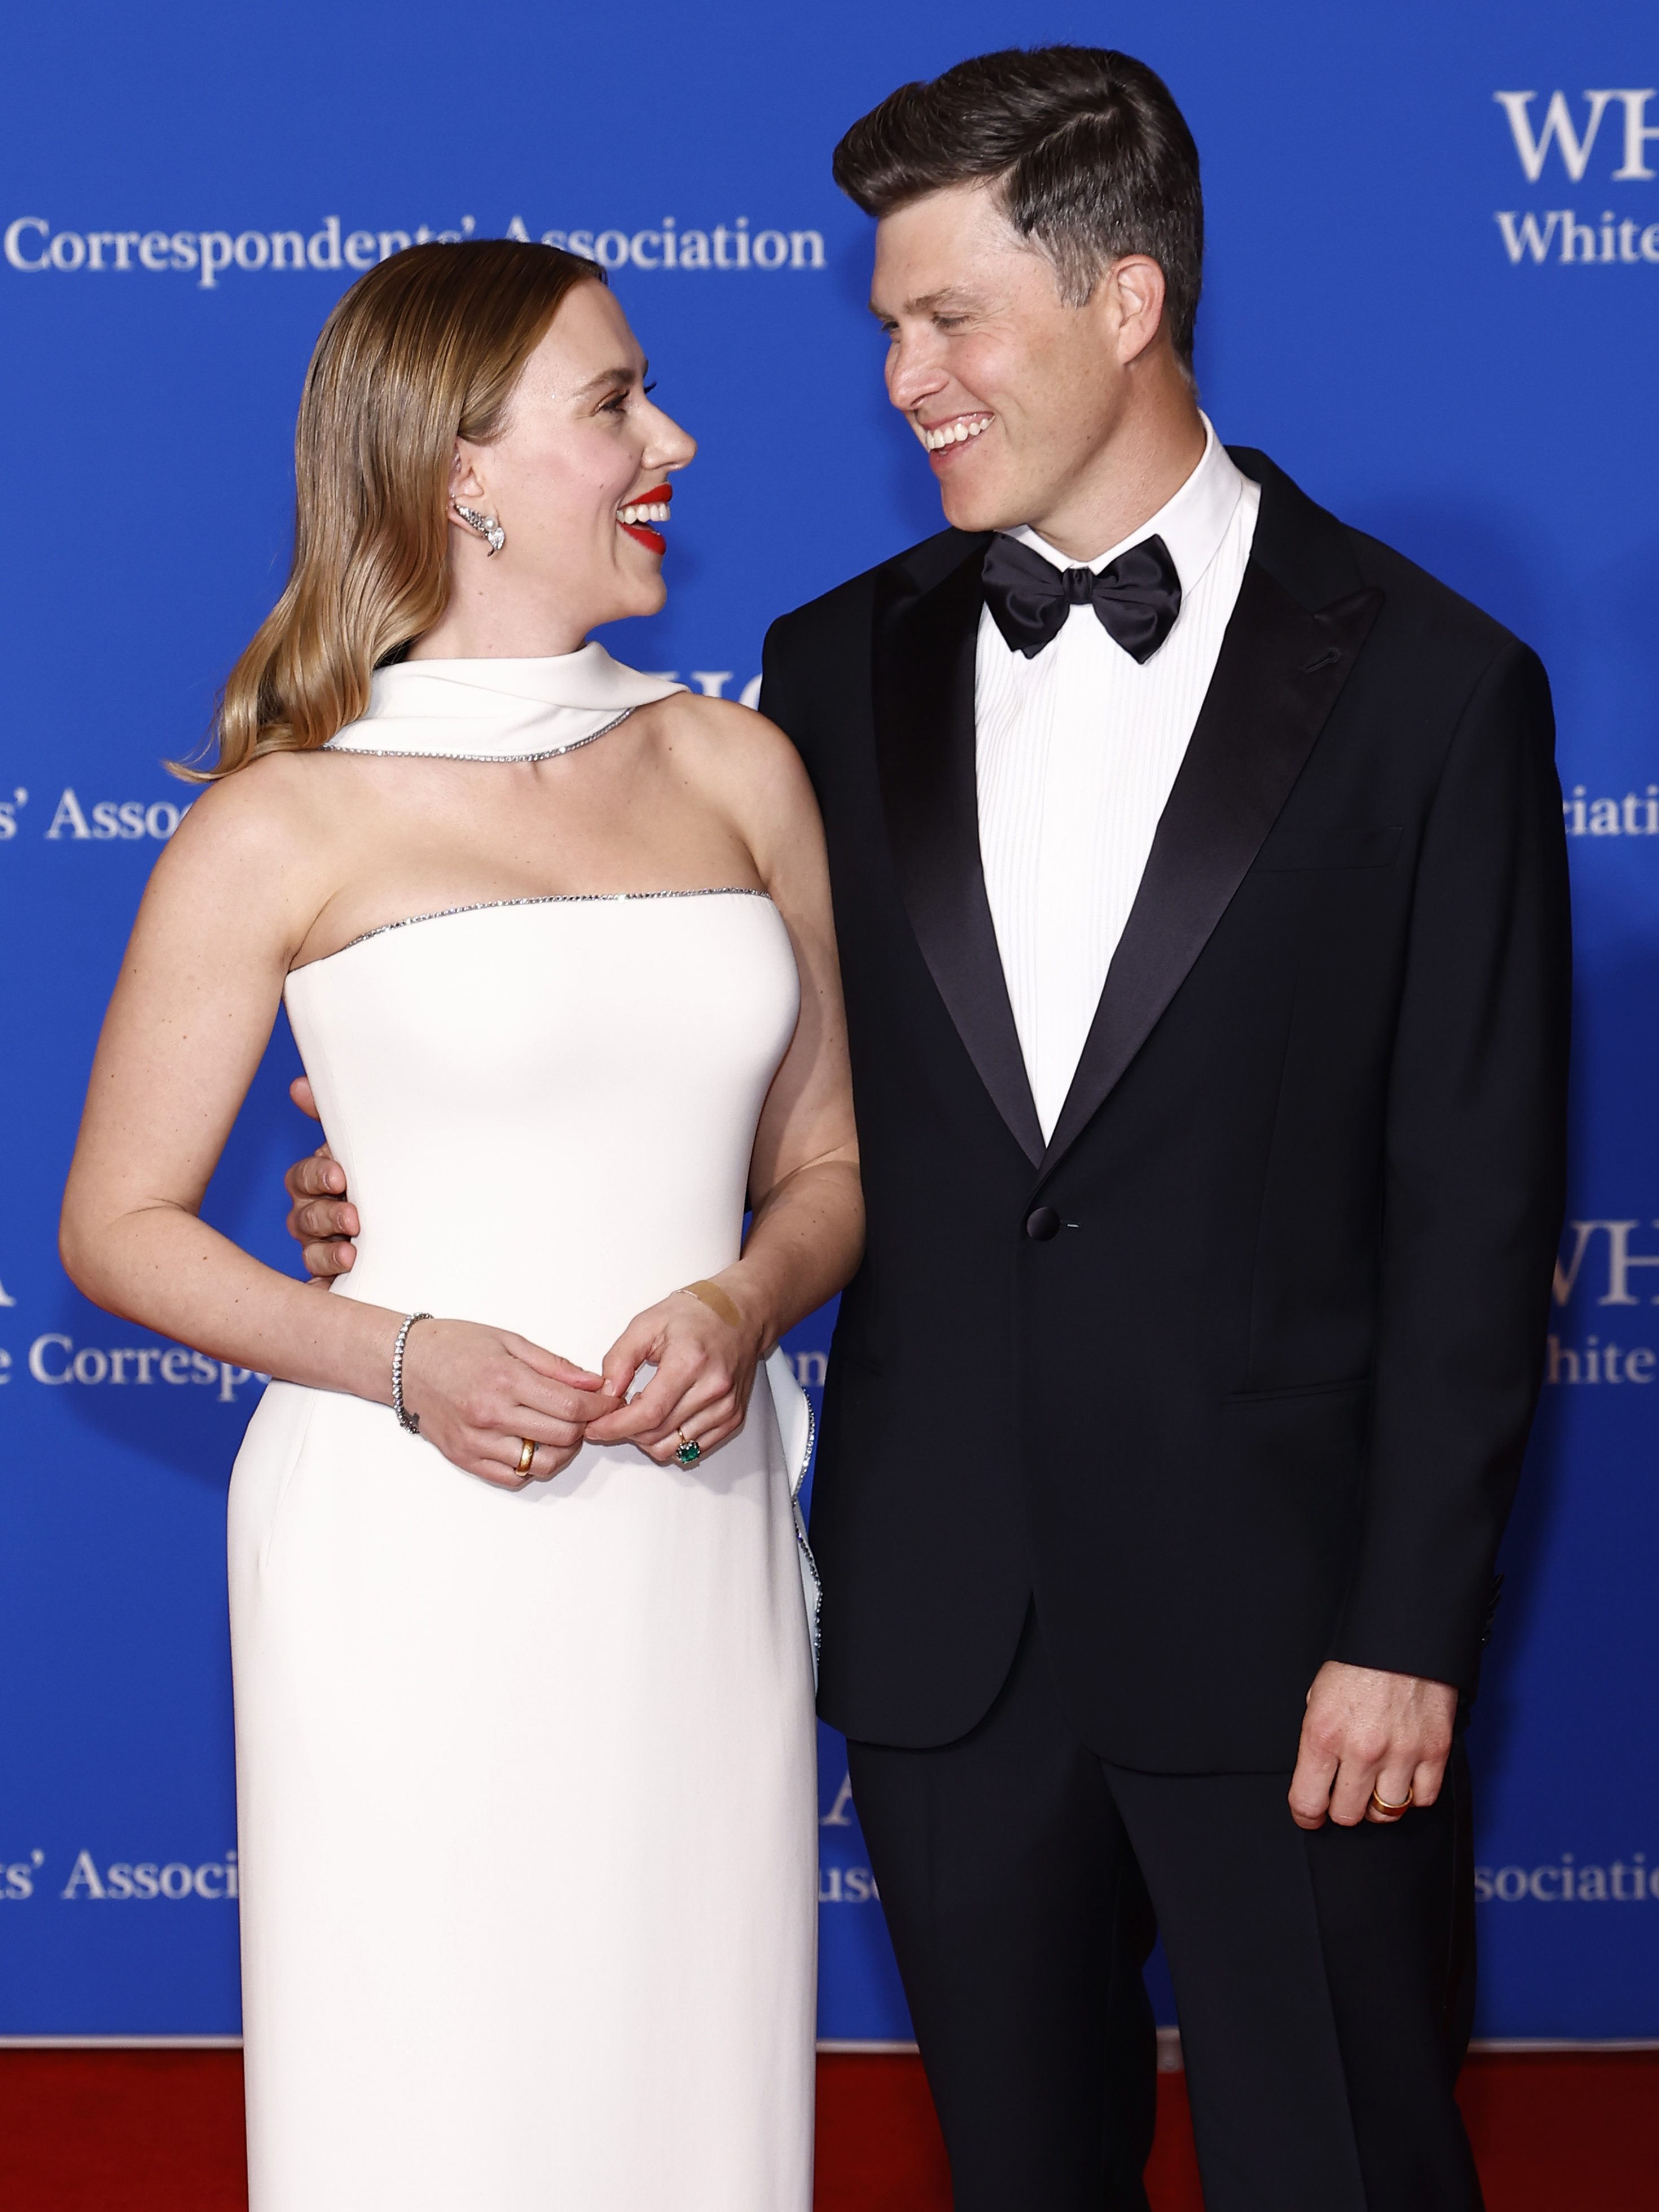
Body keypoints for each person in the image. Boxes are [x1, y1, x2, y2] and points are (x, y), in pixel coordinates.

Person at [286, 46, 1573, 2212]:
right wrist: (421, 1200)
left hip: (1294, 1646)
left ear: (1127, 301)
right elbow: (774, 1108)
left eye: (944, 316)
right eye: (886, 324)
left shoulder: (1438, 686)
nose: (901, 375)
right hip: (941, 1634)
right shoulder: (825, 669)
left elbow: (1477, 1204)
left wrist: (1408, 1629)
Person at [60, 239, 861, 2212]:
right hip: (410, 1541)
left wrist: (746, 1300)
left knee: (687, 2061)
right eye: (615, 406)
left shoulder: (738, 767)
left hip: (690, 1521)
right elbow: (116, 1223)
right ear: (460, 474)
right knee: (427, 2066)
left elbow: (834, 1167)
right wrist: (401, 1358)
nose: (672, 438)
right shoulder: (283, 821)